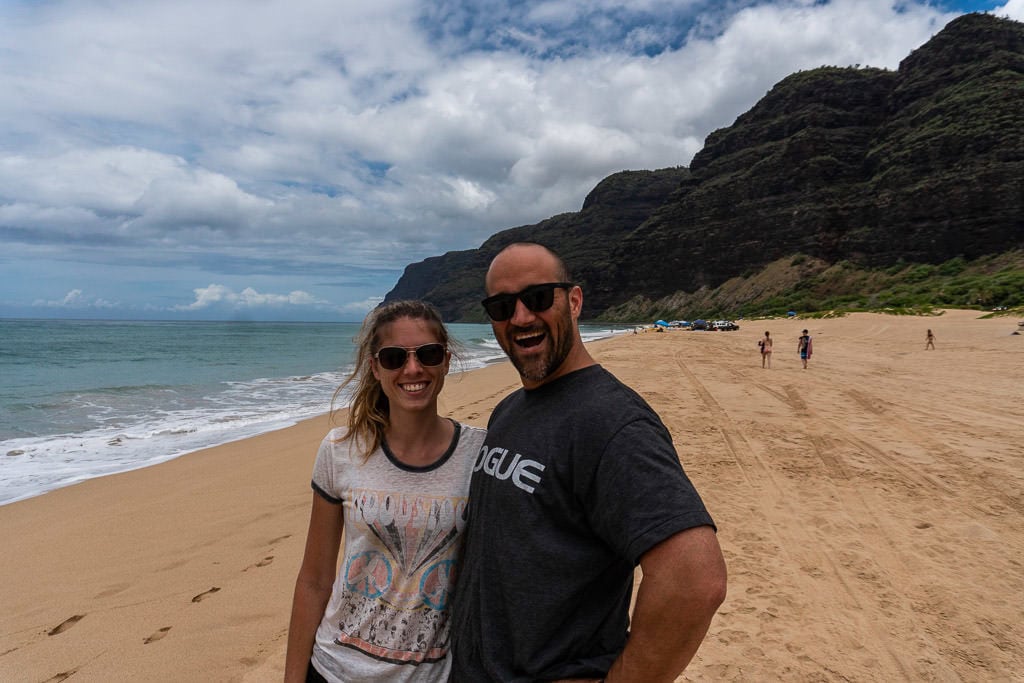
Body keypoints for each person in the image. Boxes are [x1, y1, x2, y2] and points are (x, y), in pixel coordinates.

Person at [450, 242, 727, 682]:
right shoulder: (509, 410)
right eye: (502, 306)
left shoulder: (612, 422)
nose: (520, 317)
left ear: (574, 301)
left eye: (538, 298)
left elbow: (695, 579)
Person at [285, 300, 487, 683]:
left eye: (427, 354)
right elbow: (314, 579)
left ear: (446, 360)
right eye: (394, 357)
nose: (413, 369)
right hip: (334, 670)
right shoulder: (340, 450)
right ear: (375, 367)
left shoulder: (479, 454)